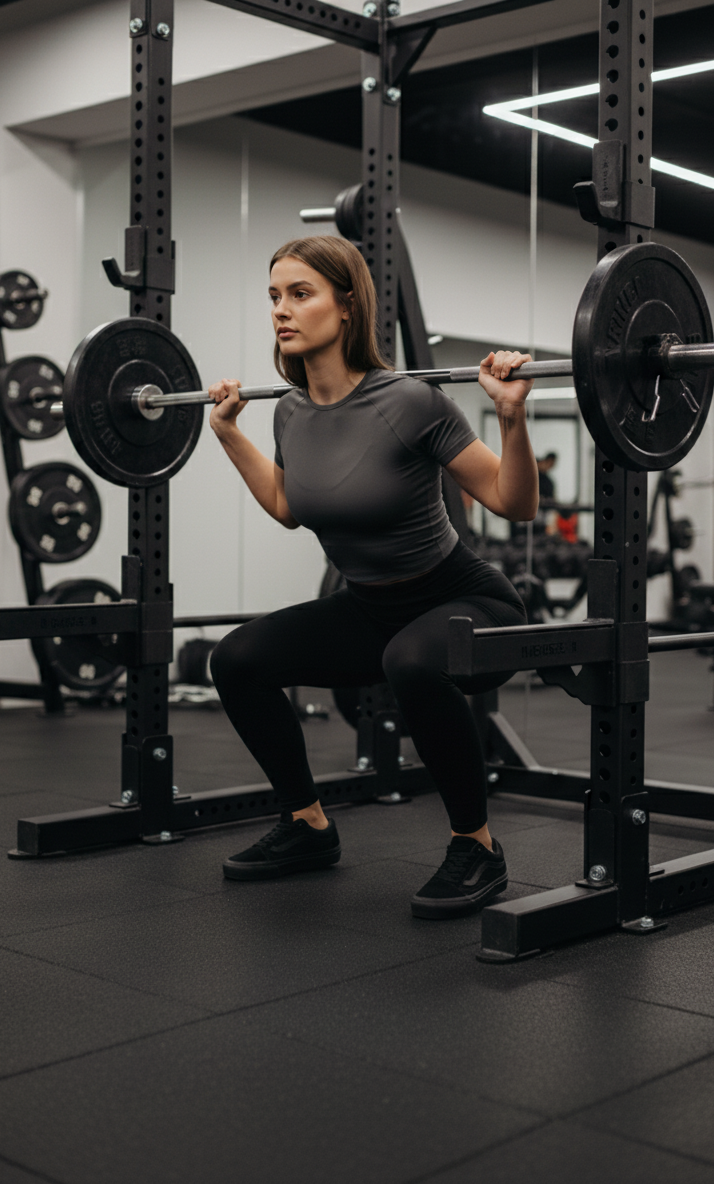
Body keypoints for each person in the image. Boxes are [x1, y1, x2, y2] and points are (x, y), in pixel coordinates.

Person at [207, 235, 538, 919]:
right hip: (369, 609)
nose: (280, 310)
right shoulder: (290, 410)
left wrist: (511, 416)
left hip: (467, 601)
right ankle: (306, 825)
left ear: (347, 305)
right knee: (236, 659)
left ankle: (477, 846)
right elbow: (288, 506)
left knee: (410, 661)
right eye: (274, 296)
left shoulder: (412, 402)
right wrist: (230, 434)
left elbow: (515, 503)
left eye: (300, 294)